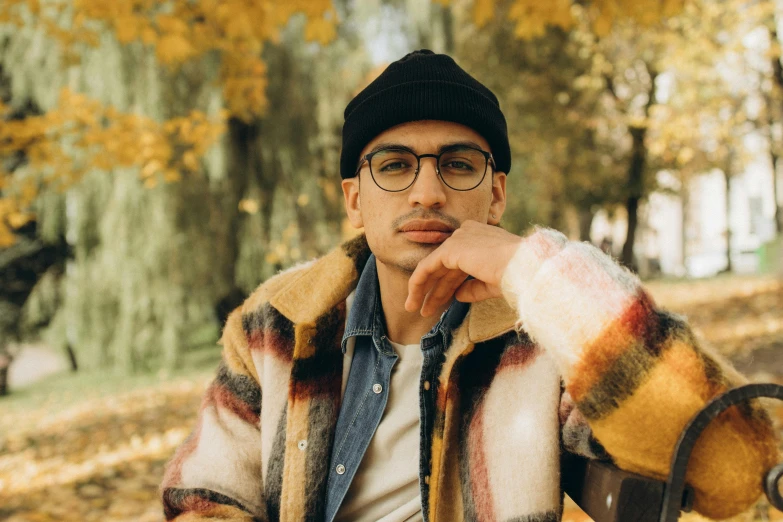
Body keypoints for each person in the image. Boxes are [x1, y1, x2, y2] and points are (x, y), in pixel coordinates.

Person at [159, 50, 779, 522]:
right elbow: (203, 495)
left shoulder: (545, 337)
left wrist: (534, 269)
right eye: (395, 166)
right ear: (355, 200)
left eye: (457, 165)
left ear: (496, 195)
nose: (428, 192)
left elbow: (734, 466)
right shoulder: (276, 324)